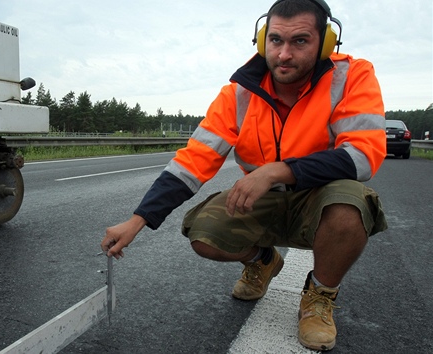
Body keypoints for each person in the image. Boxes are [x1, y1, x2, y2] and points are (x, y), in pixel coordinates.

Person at [100, 0, 387, 351]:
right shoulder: (239, 92)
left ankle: (319, 297)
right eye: (276, 40)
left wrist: (277, 170)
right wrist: (138, 220)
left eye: (300, 41)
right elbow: (194, 159)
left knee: (350, 206)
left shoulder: (350, 77)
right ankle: (263, 261)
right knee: (204, 233)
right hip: (265, 201)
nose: (284, 54)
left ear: (325, 44)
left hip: (319, 197)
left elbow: (361, 156)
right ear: (263, 39)